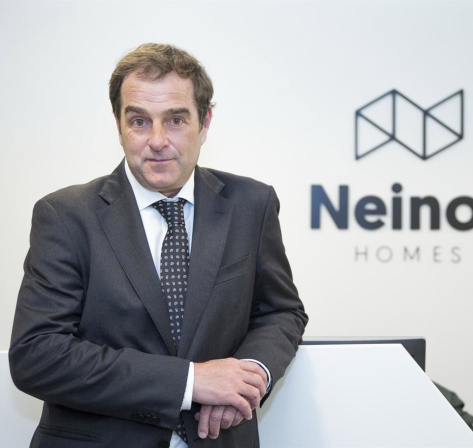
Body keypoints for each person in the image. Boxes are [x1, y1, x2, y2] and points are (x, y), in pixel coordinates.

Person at [9, 43, 308, 448]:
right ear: (118, 126)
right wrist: (191, 381)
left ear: (204, 122)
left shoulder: (251, 204)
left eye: (176, 120)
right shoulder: (65, 215)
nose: (157, 140)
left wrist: (246, 377)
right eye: (138, 121)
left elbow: (281, 311)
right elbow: (37, 355)